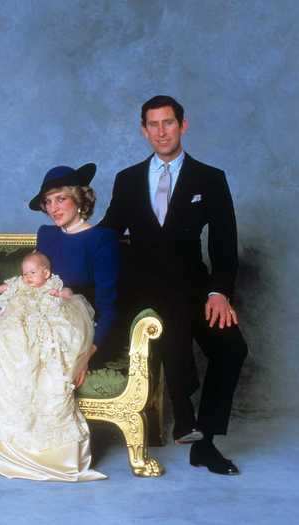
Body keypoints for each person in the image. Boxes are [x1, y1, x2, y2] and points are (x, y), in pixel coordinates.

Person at [100, 95, 248, 475]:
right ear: (143, 130)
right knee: (168, 310)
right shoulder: (128, 179)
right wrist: (68, 236)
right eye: (153, 125)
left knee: (231, 348)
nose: (161, 132)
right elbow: (108, 233)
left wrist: (219, 292)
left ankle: (204, 438)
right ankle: (185, 416)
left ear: (183, 125)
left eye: (168, 123)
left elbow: (224, 243)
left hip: (195, 286)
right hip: (143, 288)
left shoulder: (210, 178)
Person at [0, 251, 106, 481]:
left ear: (46, 272)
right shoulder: (19, 284)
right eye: (24, 273)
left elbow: (69, 295)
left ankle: (52, 451)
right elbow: (6, 286)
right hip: (18, 321)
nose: (28, 277)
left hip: (43, 320)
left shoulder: (53, 284)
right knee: (0, 341)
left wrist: (63, 295)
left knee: (44, 347)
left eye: (32, 273)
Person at [31, 164, 120, 379]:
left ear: (79, 199)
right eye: (48, 201)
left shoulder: (101, 239)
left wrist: (86, 354)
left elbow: (109, 308)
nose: (53, 208)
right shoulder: (46, 235)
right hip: (43, 325)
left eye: (61, 199)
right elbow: (35, 284)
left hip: (83, 334)